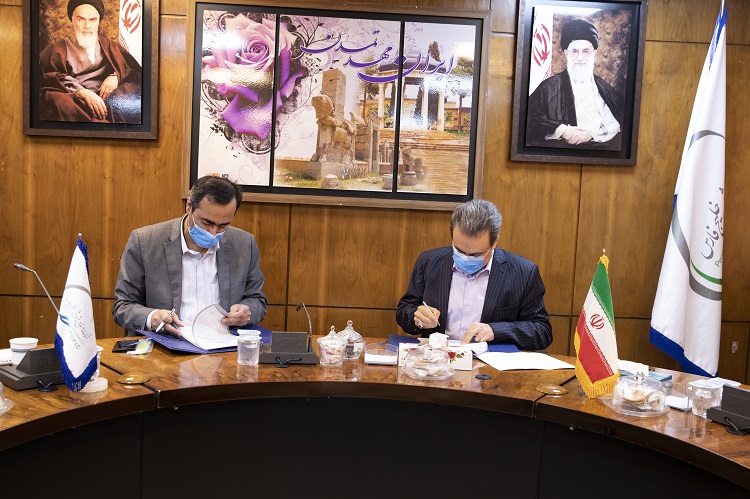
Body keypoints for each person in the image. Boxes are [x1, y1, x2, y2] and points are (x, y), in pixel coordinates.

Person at [113, 176, 267, 335]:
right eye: (207, 223)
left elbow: (257, 301)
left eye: (223, 225)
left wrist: (247, 311)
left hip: (222, 343)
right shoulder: (145, 242)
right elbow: (123, 307)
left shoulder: (244, 244)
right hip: (166, 343)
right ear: (189, 206)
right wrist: (152, 317)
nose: (213, 232)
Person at [396, 199, 552, 350]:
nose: (466, 258)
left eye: (476, 254)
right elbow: (405, 310)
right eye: (459, 251)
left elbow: (542, 331)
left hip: (489, 363)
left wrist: (495, 330)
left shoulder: (523, 272)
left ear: (494, 242)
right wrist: (417, 318)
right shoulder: (428, 262)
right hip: (438, 360)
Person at [526, 18, 624, 149]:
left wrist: (590, 134)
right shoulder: (548, 88)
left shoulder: (604, 89)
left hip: (599, 151)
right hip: (559, 152)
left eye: (586, 51)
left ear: (594, 54)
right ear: (566, 54)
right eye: (575, 51)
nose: (580, 58)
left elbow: (618, 120)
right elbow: (529, 119)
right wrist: (562, 130)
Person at [39, 0, 142, 123]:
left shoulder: (111, 46)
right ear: (72, 19)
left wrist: (115, 76)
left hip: (106, 98)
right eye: (81, 19)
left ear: (98, 21)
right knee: (58, 101)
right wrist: (81, 92)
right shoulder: (56, 49)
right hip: (75, 98)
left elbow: (131, 70)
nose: (87, 26)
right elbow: (51, 76)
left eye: (92, 20)